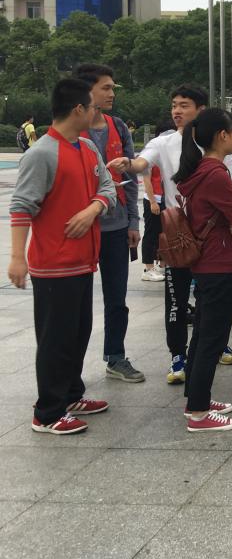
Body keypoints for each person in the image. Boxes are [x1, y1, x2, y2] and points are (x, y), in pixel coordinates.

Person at [109, 84, 232, 383]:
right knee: (176, 299)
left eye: (184, 105)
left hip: (212, 236)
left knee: (212, 297)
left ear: (201, 110)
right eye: (174, 105)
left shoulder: (219, 147)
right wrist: (128, 164)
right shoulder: (163, 142)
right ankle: (178, 356)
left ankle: (213, 345)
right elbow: (142, 163)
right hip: (178, 234)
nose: (177, 111)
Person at [8, 78, 115, 434]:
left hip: (84, 260)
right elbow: (22, 206)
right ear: (78, 109)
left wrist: (93, 208)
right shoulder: (42, 153)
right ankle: (48, 412)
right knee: (55, 339)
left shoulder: (87, 147)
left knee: (77, 333)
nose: (97, 113)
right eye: (93, 107)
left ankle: (70, 394)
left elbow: (108, 188)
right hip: (54, 265)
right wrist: (17, 258)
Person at [174, 108, 232, 432]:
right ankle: (199, 413)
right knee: (212, 339)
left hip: (206, 263)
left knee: (203, 335)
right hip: (220, 264)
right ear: (222, 136)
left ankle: (196, 397)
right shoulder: (217, 174)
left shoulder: (199, 170)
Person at [72, 64, 144, 384]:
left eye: (113, 88)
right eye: (106, 88)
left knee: (117, 299)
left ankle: (116, 356)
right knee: (77, 302)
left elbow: (131, 177)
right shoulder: (72, 131)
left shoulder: (118, 126)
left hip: (116, 228)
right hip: (82, 229)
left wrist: (133, 221)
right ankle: (71, 371)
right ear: (87, 91)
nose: (112, 93)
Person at [140, 119, 175, 283]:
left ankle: (162, 264)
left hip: (167, 198)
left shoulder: (171, 151)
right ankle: (148, 268)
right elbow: (146, 179)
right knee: (151, 233)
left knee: (165, 233)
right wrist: (153, 201)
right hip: (154, 198)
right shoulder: (151, 152)